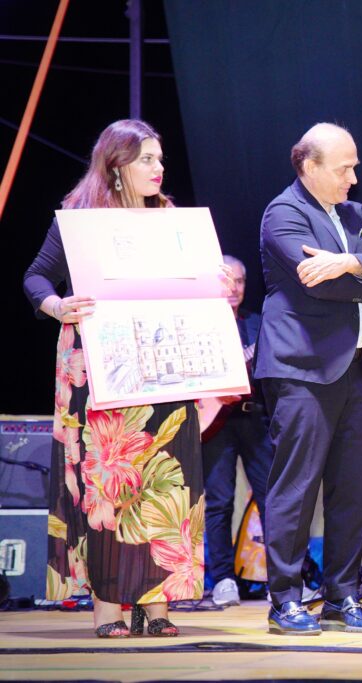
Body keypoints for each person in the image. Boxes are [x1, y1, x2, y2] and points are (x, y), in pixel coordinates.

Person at [23, 119, 205, 637]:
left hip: (164, 367)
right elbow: (35, 276)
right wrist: (57, 304)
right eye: (148, 158)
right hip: (104, 369)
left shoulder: (168, 218)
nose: (159, 168)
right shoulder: (81, 219)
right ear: (117, 164)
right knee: (110, 487)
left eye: (160, 158)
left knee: (167, 479)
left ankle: (159, 605)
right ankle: (110, 607)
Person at [255, 123, 362, 635]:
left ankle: (342, 596)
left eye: (355, 167)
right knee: (296, 488)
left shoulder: (356, 215)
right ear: (309, 167)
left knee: (353, 489)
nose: (353, 178)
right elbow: (318, 287)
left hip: (355, 368)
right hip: (302, 369)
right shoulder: (284, 212)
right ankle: (285, 600)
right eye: (344, 169)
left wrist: (348, 263)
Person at [198, 254, 273, 607]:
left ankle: (282, 578)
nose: (235, 288)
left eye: (241, 281)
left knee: (273, 499)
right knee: (219, 502)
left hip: (254, 419)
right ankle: (224, 579)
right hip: (216, 423)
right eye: (229, 280)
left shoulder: (259, 325)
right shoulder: (198, 327)